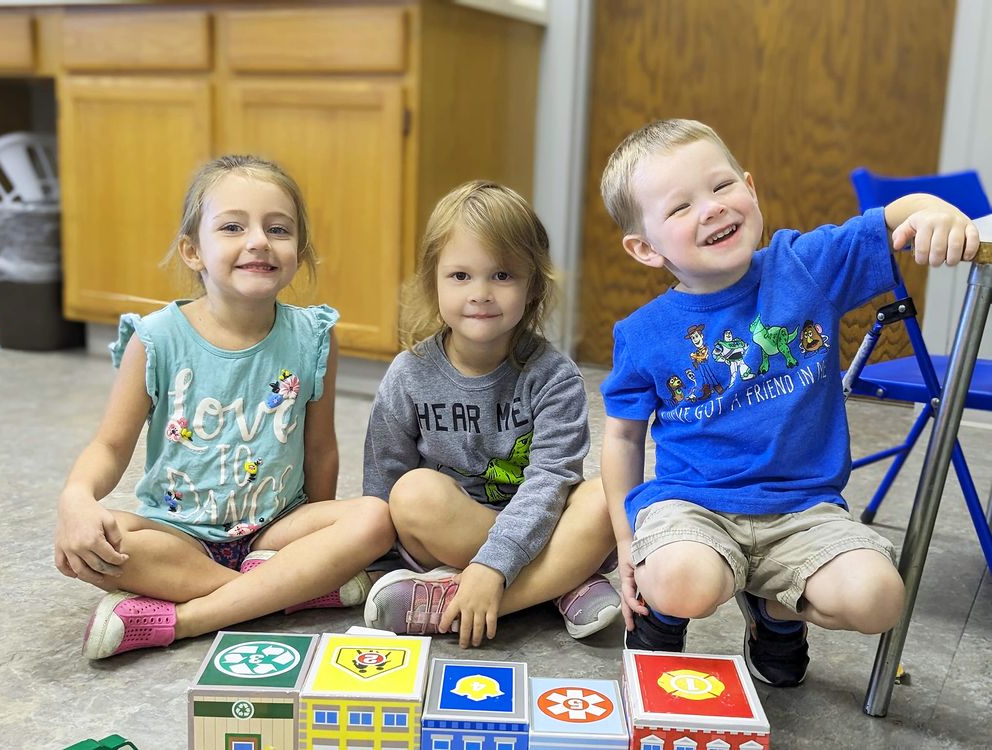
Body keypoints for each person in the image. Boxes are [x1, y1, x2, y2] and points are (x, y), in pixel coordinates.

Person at [598, 118, 980, 686]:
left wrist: (938, 211)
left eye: (722, 186)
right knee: (683, 578)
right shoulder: (643, 332)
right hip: (694, 506)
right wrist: (627, 541)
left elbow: (891, 217)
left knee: (879, 598)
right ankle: (660, 620)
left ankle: (774, 612)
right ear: (645, 248)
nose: (712, 208)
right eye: (680, 207)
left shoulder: (804, 266)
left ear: (750, 188)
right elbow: (623, 436)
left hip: (804, 510)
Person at [54, 155, 395, 660]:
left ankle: (192, 618)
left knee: (375, 519)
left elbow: (319, 448)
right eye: (233, 226)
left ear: (297, 252)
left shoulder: (313, 337)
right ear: (193, 251)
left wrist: (313, 538)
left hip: (275, 531)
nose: (258, 240)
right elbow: (109, 445)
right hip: (178, 533)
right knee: (86, 547)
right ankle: (290, 590)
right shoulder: (156, 340)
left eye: (277, 228)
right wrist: (77, 498)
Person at [361, 180, 619, 648]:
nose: (480, 293)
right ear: (432, 281)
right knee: (413, 493)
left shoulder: (554, 376)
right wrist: (378, 565)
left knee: (606, 497)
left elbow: (550, 482)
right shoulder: (409, 373)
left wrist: (492, 565)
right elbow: (383, 479)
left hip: (535, 522)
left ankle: (451, 603)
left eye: (502, 276)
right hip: (448, 532)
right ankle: (562, 581)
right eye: (460, 276)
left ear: (533, 285)